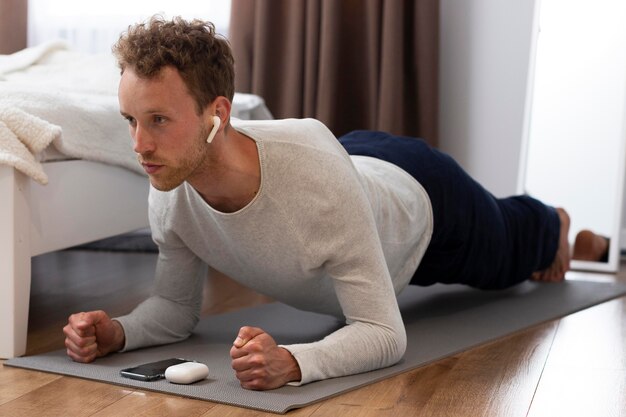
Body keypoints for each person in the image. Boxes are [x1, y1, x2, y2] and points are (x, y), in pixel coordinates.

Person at [62, 16, 601, 390]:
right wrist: (120, 331)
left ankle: (556, 224)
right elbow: (176, 310)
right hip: (350, 166)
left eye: (158, 120)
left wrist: (293, 362)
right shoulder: (170, 188)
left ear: (216, 113)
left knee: (514, 245)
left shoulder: (312, 178)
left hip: (423, 204)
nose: (139, 146)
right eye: (131, 121)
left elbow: (385, 334)